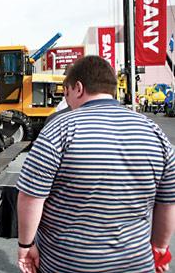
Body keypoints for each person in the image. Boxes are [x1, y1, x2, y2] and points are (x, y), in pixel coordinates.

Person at [16, 56, 175, 273]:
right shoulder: (154, 132)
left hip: (67, 263)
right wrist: (159, 248)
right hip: (135, 262)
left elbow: (31, 196)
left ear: (78, 88)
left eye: (67, 92)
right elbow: (167, 203)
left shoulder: (60, 128)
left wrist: (26, 245)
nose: (67, 100)